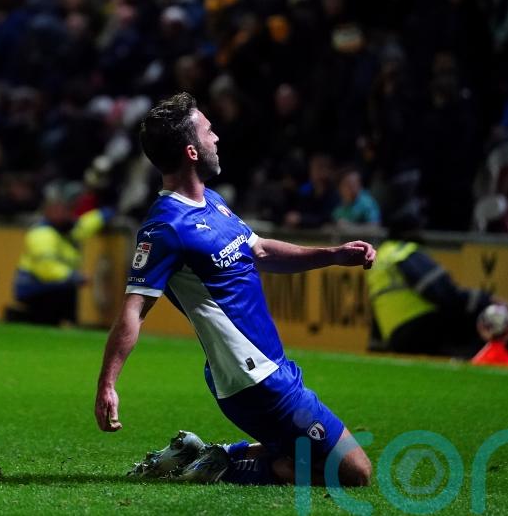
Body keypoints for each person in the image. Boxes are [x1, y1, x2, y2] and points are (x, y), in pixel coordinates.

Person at [94, 93, 375, 486]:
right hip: (253, 379)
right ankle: (223, 465)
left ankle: (205, 455)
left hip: (270, 366)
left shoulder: (212, 202)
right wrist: (108, 384)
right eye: (208, 131)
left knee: (303, 455)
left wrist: (332, 255)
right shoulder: (165, 228)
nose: (216, 138)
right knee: (355, 472)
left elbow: (260, 251)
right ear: (192, 152)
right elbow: (134, 309)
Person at [367, 216, 508, 362]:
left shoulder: (381, 258)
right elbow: (444, 294)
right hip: (421, 328)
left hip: (397, 338)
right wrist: (486, 299)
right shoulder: (405, 253)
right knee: (489, 314)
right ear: (410, 232)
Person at [8, 182, 113, 326]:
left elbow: (85, 224)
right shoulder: (42, 234)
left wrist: (107, 214)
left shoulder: (66, 230)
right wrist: (74, 277)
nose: (70, 213)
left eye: (71, 208)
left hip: (52, 289)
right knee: (69, 305)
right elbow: (47, 268)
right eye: (64, 208)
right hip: (36, 289)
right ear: (49, 210)